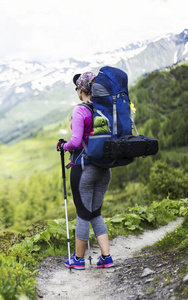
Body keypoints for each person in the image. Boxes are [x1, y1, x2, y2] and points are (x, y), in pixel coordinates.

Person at [56, 72, 114, 270]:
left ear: (82, 90)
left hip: (84, 169)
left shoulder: (80, 111)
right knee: (95, 213)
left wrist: (62, 147)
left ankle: (78, 260)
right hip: (104, 169)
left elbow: (74, 142)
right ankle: (106, 257)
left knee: (82, 213)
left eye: (77, 89)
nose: (77, 93)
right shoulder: (105, 108)